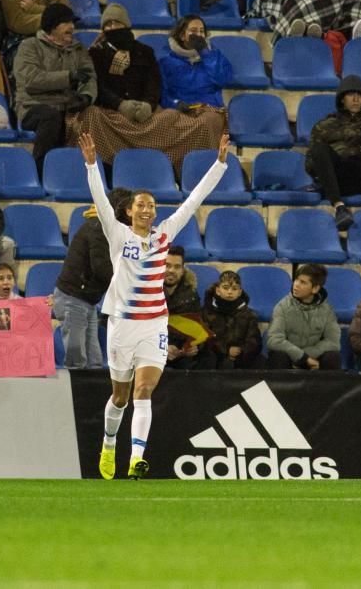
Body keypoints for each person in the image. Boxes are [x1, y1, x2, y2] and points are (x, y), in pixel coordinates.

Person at [79, 130, 229, 480]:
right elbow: (100, 200)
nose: (147, 209)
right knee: (120, 396)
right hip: (121, 324)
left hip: (153, 325)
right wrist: (91, 166)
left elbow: (193, 201)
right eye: (140, 205)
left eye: (151, 205)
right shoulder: (119, 235)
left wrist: (220, 164)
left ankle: (136, 460)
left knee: (144, 390)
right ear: (129, 211)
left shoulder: (164, 236)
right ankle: (109, 443)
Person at [68, 4, 224, 174]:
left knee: (170, 116)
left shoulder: (144, 51)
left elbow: (153, 83)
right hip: (112, 111)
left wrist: (148, 105)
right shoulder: (95, 54)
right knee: (92, 115)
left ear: (126, 25)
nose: (112, 28)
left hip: (145, 111)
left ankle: (175, 170)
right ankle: (106, 169)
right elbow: (98, 86)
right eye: (108, 24)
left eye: (117, 23)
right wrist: (120, 104)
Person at [13, 3, 97, 177]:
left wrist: (87, 96)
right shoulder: (30, 46)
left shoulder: (77, 49)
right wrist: (69, 76)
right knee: (51, 117)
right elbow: (31, 80)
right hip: (33, 107)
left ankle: (94, 174)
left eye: (72, 23)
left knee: (93, 115)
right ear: (52, 26)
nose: (72, 27)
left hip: (67, 106)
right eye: (66, 22)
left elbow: (89, 76)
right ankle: (39, 171)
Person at [54, 188, 132, 370]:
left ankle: (91, 398)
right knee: (77, 361)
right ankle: (76, 398)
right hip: (73, 298)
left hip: (87, 300)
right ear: (118, 209)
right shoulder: (98, 229)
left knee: (94, 362)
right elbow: (102, 268)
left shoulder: (107, 229)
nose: (131, 214)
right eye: (128, 209)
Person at [306, 75, 361, 230]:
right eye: (350, 94)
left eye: (359, 95)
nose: (355, 98)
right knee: (319, 148)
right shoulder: (324, 126)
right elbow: (311, 163)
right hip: (341, 178)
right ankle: (339, 207)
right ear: (342, 99)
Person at [266, 263, 342, 370]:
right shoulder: (282, 306)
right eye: (296, 280)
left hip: (314, 358)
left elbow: (333, 342)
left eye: (303, 282)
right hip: (290, 357)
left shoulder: (327, 310)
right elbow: (274, 340)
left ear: (315, 288)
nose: (296, 285)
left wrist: (306, 356)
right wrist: (302, 357)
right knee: (278, 356)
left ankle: (327, 387)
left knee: (333, 357)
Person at [159, 14, 232, 110]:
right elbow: (162, 94)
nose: (198, 35)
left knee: (204, 122)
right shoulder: (166, 62)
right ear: (182, 36)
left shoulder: (215, 56)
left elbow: (223, 80)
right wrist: (176, 103)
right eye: (193, 31)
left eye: (202, 31)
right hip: (180, 110)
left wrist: (205, 53)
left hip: (209, 109)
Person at [198, 270, 264, 369]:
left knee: (260, 361)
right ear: (218, 290)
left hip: (242, 358)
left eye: (234, 288)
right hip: (215, 358)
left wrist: (240, 351)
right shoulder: (206, 312)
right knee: (207, 360)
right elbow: (204, 340)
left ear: (239, 292)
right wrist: (226, 350)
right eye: (225, 288)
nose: (230, 292)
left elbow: (254, 341)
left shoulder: (249, 314)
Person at [163, 245, 202, 370]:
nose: (171, 270)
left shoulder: (191, 295)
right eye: (167, 265)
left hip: (180, 354)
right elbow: (141, 329)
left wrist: (193, 346)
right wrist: (163, 347)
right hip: (152, 350)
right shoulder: (146, 292)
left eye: (177, 267)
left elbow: (198, 328)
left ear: (183, 269)